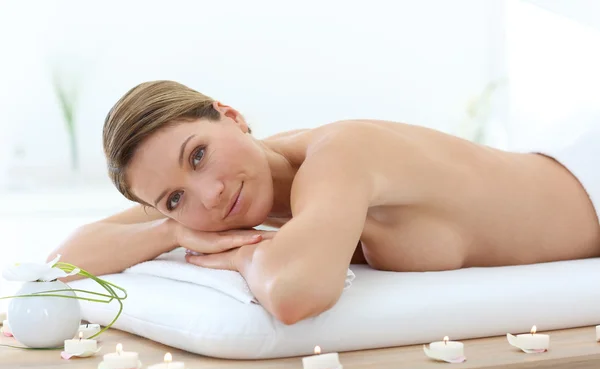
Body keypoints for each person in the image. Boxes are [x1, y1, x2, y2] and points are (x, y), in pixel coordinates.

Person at [50, 80, 600, 325]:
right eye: (175, 198)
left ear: (232, 115)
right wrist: (172, 233)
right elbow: (66, 260)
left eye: (197, 156)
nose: (209, 194)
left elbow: (296, 294)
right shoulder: (225, 199)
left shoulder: (340, 154)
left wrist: (241, 252)